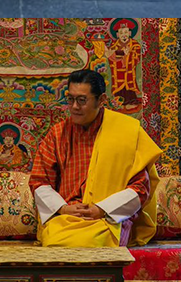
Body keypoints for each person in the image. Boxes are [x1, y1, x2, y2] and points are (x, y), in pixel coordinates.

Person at [29, 69, 162, 247]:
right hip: (67, 217)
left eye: (82, 100)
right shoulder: (57, 134)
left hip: (110, 218)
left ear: (101, 100)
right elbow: (39, 181)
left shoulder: (126, 132)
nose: (74, 106)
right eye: (70, 99)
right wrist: (64, 208)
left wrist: (101, 209)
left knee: (92, 241)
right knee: (54, 240)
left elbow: (140, 189)